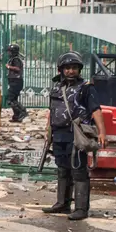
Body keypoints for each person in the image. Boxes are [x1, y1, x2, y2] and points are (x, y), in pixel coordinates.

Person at [43, 52, 107, 221]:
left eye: (74, 68)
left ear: (79, 70)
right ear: (61, 70)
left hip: (77, 134)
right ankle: (62, 204)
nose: (71, 71)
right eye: (67, 68)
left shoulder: (86, 88)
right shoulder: (56, 88)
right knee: (62, 169)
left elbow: (96, 110)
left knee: (78, 171)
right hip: (59, 134)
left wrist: (102, 132)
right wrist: (48, 131)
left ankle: (81, 208)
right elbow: (52, 110)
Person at [5, 44, 28, 122]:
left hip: (16, 82)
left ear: (13, 52)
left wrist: (8, 67)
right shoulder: (13, 59)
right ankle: (16, 116)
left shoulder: (16, 59)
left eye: (10, 52)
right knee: (14, 99)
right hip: (14, 81)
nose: (8, 53)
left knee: (10, 99)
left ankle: (22, 112)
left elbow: (17, 69)